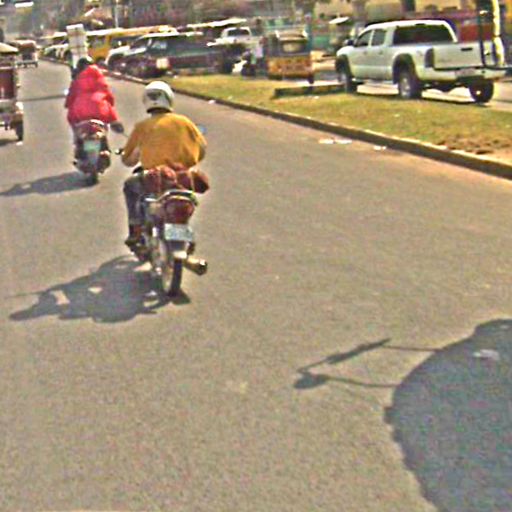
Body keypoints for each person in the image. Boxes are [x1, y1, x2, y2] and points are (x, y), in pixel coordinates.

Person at [121, 81, 207, 248]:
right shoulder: (185, 122)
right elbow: (202, 149)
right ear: (169, 99)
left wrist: (138, 153)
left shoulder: (142, 126)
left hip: (154, 178)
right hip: (181, 178)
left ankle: (135, 229)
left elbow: (127, 160)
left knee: (129, 186)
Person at [65, 56, 122, 164]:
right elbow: (109, 97)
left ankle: (78, 143)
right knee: (106, 121)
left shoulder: (77, 80)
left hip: (80, 111)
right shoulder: (99, 77)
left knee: (72, 120)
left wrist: (68, 104)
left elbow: (69, 100)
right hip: (99, 111)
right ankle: (104, 147)